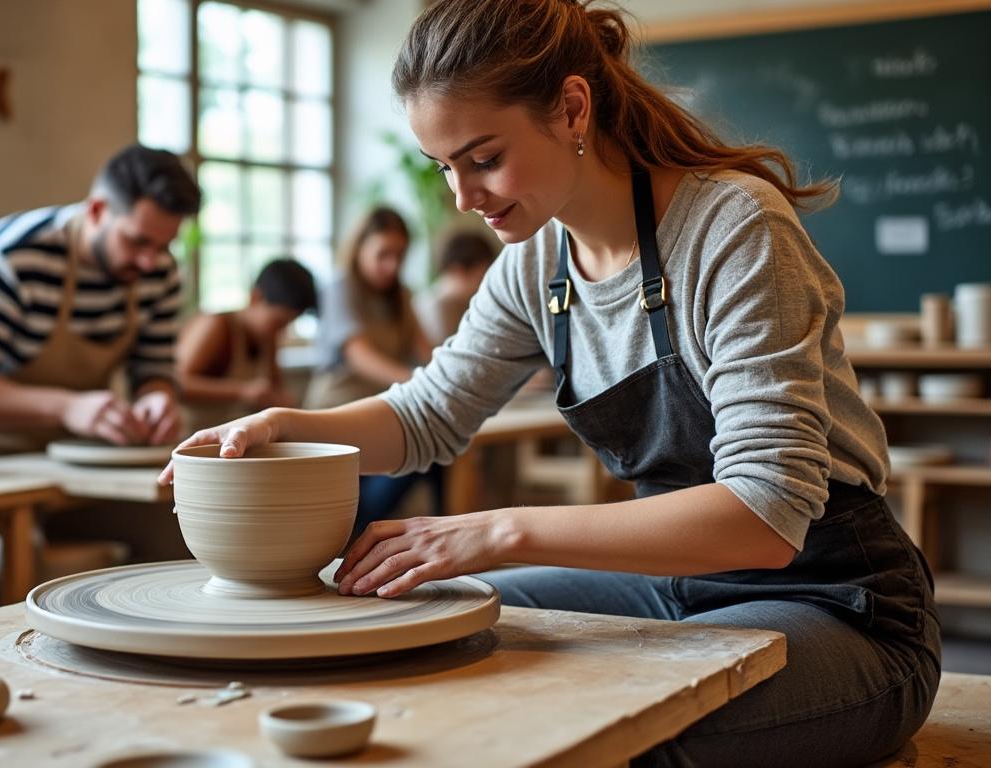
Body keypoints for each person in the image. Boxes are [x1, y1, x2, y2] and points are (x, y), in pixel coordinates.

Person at [163, 1, 940, 765]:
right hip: (677, 585)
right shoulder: (535, 266)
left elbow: (765, 514)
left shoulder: (734, 229)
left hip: (838, 602)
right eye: (444, 167)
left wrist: (499, 530)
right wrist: (283, 426)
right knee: (419, 633)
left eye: (483, 158)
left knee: (607, 729)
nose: (462, 198)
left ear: (572, 109)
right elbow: (427, 415)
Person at [0, 143, 202, 462]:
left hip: (79, 452)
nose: (149, 262)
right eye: (137, 241)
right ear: (96, 210)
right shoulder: (12, 255)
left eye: (164, 246)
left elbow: (153, 366)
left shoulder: (160, 271)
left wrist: (157, 396)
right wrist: (67, 407)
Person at [304, 206, 439, 532]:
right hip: (336, 414)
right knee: (358, 508)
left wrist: (449, 377)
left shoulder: (401, 295)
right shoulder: (340, 287)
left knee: (437, 451)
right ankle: (357, 540)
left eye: (400, 256)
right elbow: (359, 355)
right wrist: (422, 382)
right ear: (359, 248)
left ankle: (447, 538)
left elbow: (425, 350)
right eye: (383, 254)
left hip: (380, 413)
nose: (392, 265)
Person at [176, 258, 317, 434]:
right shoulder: (216, 326)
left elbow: (276, 390)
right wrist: (241, 391)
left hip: (232, 439)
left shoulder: (268, 337)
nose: (282, 330)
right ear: (255, 297)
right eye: (279, 322)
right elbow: (176, 382)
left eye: (289, 323)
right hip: (192, 435)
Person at [415, 229, 498, 345]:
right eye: (482, 276)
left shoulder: (456, 303)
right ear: (458, 269)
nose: (485, 283)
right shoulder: (437, 306)